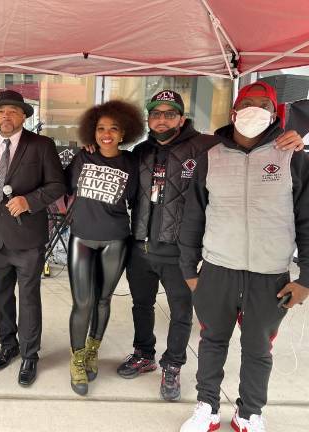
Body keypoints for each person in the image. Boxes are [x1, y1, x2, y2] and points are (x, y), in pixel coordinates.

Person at [116, 89, 305, 402]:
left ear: (182, 117)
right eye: (156, 113)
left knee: (181, 313)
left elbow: (249, 144)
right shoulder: (140, 151)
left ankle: (173, 365)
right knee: (141, 305)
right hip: (142, 247)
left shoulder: (207, 146)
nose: (162, 119)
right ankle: (143, 353)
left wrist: (290, 138)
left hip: (179, 250)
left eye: (170, 113)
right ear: (149, 117)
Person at [178, 81, 309, 432]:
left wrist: (306, 280)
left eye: (262, 104)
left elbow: (307, 221)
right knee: (212, 342)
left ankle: (249, 413)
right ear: (233, 111)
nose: (254, 109)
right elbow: (193, 217)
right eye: (246, 102)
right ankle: (206, 407)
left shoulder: (294, 158)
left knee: (258, 349)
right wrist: (189, 270)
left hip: (270, 275)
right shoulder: (211, 157)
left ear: (273, 113)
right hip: (218, 270)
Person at [0, 90, 65, 386]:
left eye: (12, 111)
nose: (5, 116)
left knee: (29, 298)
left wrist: (30, 201)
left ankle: (30, 354)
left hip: (28, 238)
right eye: (0, 111)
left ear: (24, 115)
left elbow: (57, 185)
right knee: (1, 296)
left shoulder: (42, 145)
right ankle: (8, 345)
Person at [64, 100, 143, 396]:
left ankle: (93, 350)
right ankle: (77, 359)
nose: (106, 134)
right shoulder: (82, 159)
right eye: (100, 129)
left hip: (115, 239)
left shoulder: (132, 163)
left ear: (124, 133)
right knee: (82, 302)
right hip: (82, 238)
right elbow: (65, 188)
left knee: (103, 300)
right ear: (92, 132)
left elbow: (136, 200)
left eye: (113, 129)